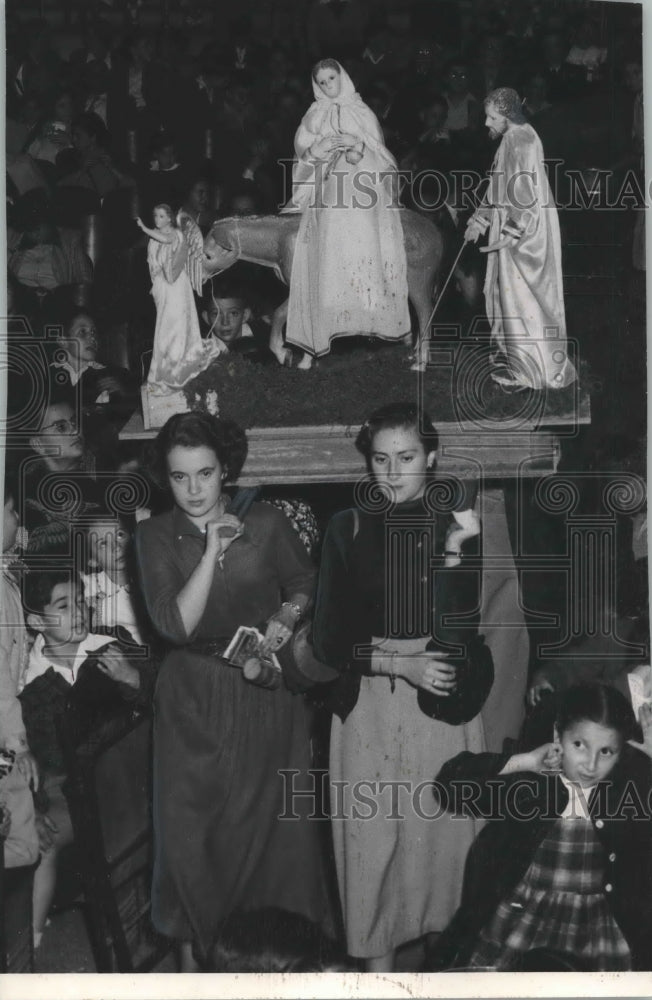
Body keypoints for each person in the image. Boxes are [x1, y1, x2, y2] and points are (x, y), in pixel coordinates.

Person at [134, 413, 328, 970]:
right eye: (179, 477)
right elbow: (175, 627)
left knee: (270, 838)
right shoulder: (150, 536)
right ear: (165, 478)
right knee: (191, 842)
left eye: (205, 474)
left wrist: (285, 619)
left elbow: (304, 582)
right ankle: (198, 974)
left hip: (265, 691)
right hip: (191, 699)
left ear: (226, 471)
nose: (194, 490)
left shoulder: (265, 521)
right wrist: (209, 548)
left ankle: (278, 965)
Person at [311, 402, 486, 971]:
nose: (391, 473)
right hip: (370, 705)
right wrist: (398, 666)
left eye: (405, 458)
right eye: (380, 460)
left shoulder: (454, 519)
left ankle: (444, 974)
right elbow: (330, 645)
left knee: (446, 848)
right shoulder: (347, 526)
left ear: (431, 458)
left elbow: (459, 633)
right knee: (372, 853)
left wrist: (461, 552)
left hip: (440, 701)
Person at [436, 682, 652, 970]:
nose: (590, 763)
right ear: (557, 736)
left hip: (594, 924)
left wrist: (649, 763)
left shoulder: (629, 788)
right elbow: (449, 784)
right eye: (579, 745)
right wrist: (524, 761)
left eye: (606, 752)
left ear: (621, 752)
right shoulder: (533, 784)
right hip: (525, 916)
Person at [19, 568, 154, 948]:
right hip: (68, 792)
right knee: (37, 838)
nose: (79, 611)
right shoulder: (29, 684)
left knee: (123, 820)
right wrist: (35, 806)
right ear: (36, 621)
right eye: (63, 605)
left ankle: (129, 930)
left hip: (127, 774)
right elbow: (33, 761)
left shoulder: (111, 644)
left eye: (81, 601)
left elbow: (162, 696)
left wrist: (132, 680)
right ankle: (29, 945)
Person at [281, 59, 410, 364]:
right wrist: (322, 147)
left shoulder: (360, 109)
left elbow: (378, 148)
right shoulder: (314, 114)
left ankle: (371, 300)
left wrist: (356, 145)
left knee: (360, 219)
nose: (328, 86)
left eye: (332, 79)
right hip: (327, 178)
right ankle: (326, 313)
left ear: (343, 78)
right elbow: (303, 149)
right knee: (325, 230)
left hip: (361, 178)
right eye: (322, 82)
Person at [464, 87, 576, 390]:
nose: (487, 123)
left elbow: (523, 194)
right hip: (515, 223)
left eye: (492, 117)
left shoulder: (520, 139)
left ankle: (531, 369)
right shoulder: (513, 137)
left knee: (522, 298)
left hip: (524, 231)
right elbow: (499, 183)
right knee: (509, 296)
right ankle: (518, 360)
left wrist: (509, 234)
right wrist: (480, 219)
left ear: (508, 115)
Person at [0, 476, 40, 871]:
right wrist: (18, 745)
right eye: (12, 511)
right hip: (3, 743)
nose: (18, 519)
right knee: (23, 843)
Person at [136, 204, 220, 391]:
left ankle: (176, 369)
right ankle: (165, 371)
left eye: (160, 216)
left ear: (169, 218)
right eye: (155, 216)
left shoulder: (176, 234)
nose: (157, 219)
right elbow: (153, 263)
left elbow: (165, 240)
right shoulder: (153, 240)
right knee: (163, 327)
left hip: (175, 286)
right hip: (162, 287)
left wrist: (144, 228)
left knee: (174, 325)